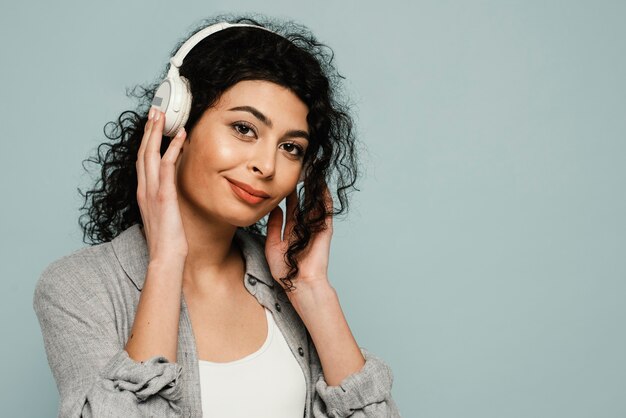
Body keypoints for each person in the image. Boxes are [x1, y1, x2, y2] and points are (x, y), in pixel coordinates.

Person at [33, 14, 400, 418]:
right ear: (177, 123)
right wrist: (166, 262)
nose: (267, 165)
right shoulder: (77, 288)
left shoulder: (285, 285)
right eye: (244, 128)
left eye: (291, 147)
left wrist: (312, 290)